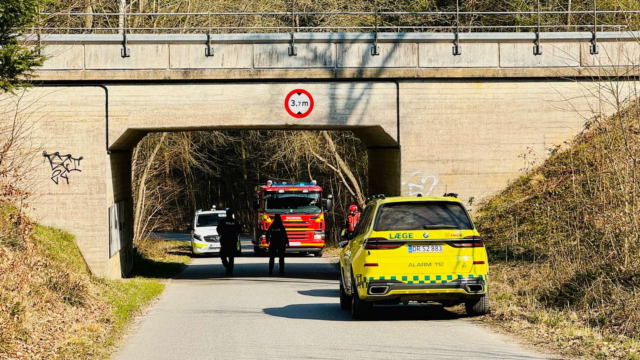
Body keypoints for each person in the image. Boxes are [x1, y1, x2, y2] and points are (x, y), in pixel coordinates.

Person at [217, 209, 242, 276]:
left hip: (225, 241)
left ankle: (227, 266)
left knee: (222, 255)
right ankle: (230, 269)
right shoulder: (235, 222)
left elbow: (218, 230)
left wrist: (222, 233)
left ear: (226, 214)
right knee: (231, 257)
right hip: (232, 241)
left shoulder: (222, 221)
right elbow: (239, 230)